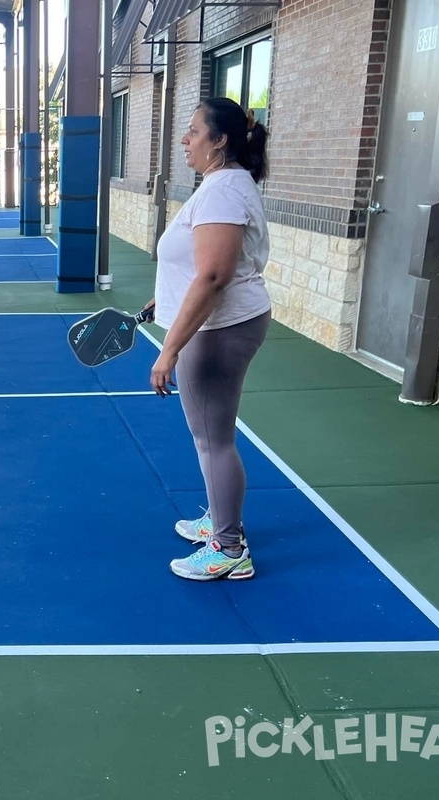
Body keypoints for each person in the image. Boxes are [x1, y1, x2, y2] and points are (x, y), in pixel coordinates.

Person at [141, 98, 272, 582]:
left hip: (218, 330)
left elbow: (215, 275)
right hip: (220, 321)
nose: (185, 140)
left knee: (212, 440)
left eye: (194, 132)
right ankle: (220, 520)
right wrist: (167, 300)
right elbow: (203, 266)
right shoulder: (225, 185)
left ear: (220, 140)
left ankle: (229, 546)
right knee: (211, 437)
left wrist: (170, 348)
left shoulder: (221, 192)